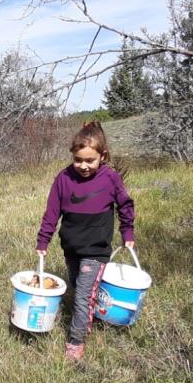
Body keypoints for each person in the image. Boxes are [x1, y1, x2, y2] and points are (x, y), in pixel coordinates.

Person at [36, 121, 135, 361]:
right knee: (78, 285)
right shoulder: (63, 178)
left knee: (82, 294)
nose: (83, 166)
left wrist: (127, 233)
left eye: (90, 160)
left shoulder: (110, 178)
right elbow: (52, 212)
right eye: (78, 159)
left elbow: (125, 205)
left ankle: (75, 343)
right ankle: (98, 309)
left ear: (103, 156)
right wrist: (43, 241)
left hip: (96, 249)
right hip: (71, 247)